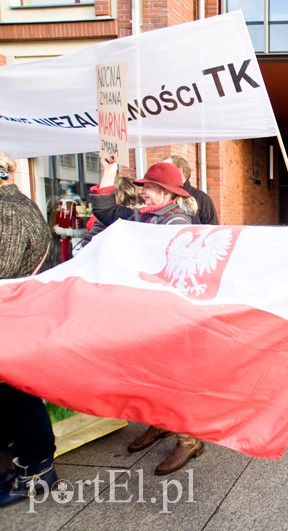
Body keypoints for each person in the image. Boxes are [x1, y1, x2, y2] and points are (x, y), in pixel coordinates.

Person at [91, 156, 204, 475]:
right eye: (144, 187)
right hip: (147, 311)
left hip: (168, 316)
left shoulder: (176, 223)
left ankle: (188, 439)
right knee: (150, 374)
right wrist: (109, 171)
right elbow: (105, 211)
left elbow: (180, 271)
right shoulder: (144, 215)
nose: (144, 192)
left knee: (172, 377)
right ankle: (160, 424)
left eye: (151, 188)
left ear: (169, 194)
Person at [0, 151, 58, 507]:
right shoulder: (17, 205)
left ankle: (37, 470)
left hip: (12, 317)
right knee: (15, 394)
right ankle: (28, 460)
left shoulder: (8, 212)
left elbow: (3, 273)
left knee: (19, 394)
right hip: (17, 315)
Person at [162, 154, 219, 225]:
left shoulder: (202, 198)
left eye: (164, 169)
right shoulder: (160, 196)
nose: (159, 173)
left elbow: (212, 230)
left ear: (179, 171)